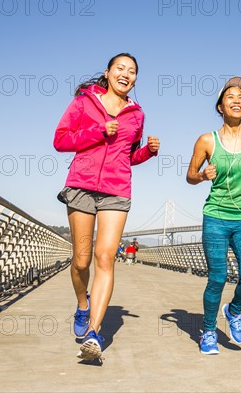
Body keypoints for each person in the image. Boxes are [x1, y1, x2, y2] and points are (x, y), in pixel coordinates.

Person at [54, 53, 160, 361]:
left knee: (105, 258)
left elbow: (129, 156)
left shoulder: (137, 115)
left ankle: (93, 334)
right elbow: (60, 140)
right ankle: (82, 305)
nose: (126, 74)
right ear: (109, 72)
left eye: (132, 71)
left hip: (116, 189)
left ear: (135, 80)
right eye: (120, 69)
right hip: (81, 185)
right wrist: (99, 132)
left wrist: (148, 153)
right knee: (81, 262)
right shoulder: (85, 102)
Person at [186, 76, 241, 355]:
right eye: (230, 97)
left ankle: (233, 311)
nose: (237, 101)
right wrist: (202, 175)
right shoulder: (206, 140)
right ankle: (208, 331)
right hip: (216, 217)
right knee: (218, 278)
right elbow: (190, 176)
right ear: (220, 107)